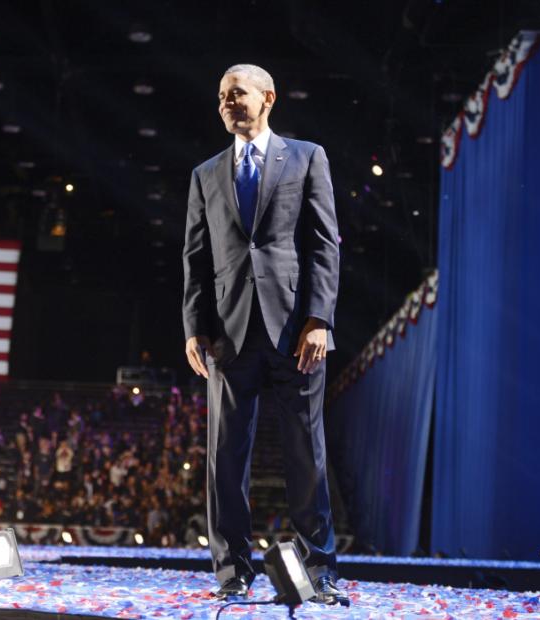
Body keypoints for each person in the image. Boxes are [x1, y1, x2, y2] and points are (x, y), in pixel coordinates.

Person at [181, 63, 347, 605]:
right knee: (226, 457)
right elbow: (196, 258)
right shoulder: (205, 173)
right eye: (222, 97)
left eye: (238, 94)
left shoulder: (307, 156)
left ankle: (318, 570)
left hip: (296, 331)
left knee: (307, 450)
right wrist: (194, 328)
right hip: (229, 336)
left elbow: (325, 242)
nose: (228, 103)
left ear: (267, 97)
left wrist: (320, 319)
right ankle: (233, 571)